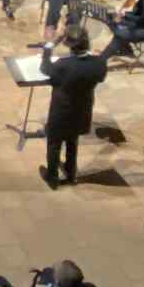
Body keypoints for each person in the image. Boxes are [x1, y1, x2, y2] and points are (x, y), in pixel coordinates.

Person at [37, 24, 106, 189]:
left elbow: (45, 68)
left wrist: (49, 44)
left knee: (54, 143)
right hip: (82, 110)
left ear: (68, 44)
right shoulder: (99, 63)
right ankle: (71, 174)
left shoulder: (63, 64)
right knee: (72, 141)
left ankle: (52, 178)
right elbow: (100, 78)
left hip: (62, 111)